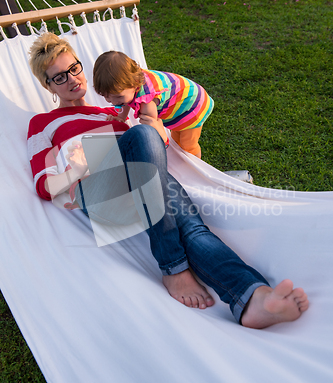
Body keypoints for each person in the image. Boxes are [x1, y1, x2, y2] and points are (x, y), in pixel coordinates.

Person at [27, 32, 309, 329]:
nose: (72, 79)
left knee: (192, 227)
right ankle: (173, 267)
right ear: (49, 86)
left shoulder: (115, 109)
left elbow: (154, 149)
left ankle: (253, 298)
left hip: (144, 185)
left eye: (74, 68)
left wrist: (156, 134)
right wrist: (76, 169)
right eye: (59, 77)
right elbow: (44, 187)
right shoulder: (41, 123)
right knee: (142, 134)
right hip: (95, 189)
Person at [92, 50, 214, 158]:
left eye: (118, 97)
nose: (114, 102)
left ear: (134, 83)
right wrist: (121, 117)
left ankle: (197, 166)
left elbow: (153, 129)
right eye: (107, 97)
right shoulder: (129, 83)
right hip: (181, 102)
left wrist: (162, 141)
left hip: (192, 105)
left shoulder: (147, 102)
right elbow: (125, 103)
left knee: (188, 145)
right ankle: (185, 161)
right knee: (177, 142)